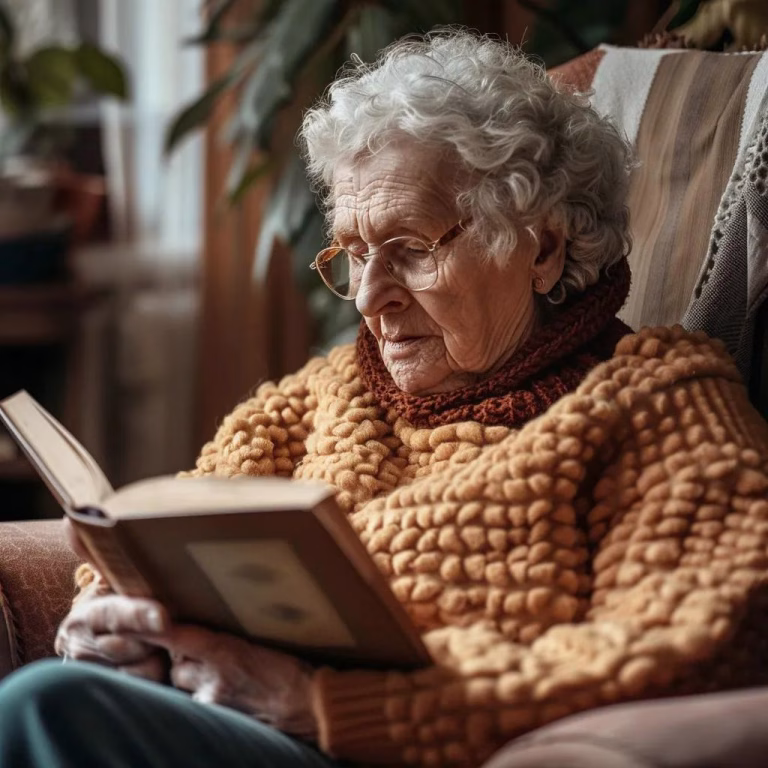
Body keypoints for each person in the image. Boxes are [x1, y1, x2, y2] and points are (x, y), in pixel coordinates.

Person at [1, 28, 767, 768]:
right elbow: (163, 553)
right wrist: (108, 626)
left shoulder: (659, 403)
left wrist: (324, 702)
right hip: (229, 726)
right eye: (355, 252)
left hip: (402, 748)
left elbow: (687, 646)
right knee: (61, 695)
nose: (369, 297)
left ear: (543, 248)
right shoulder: (316, 397)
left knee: (43, 710)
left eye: (409, 249)